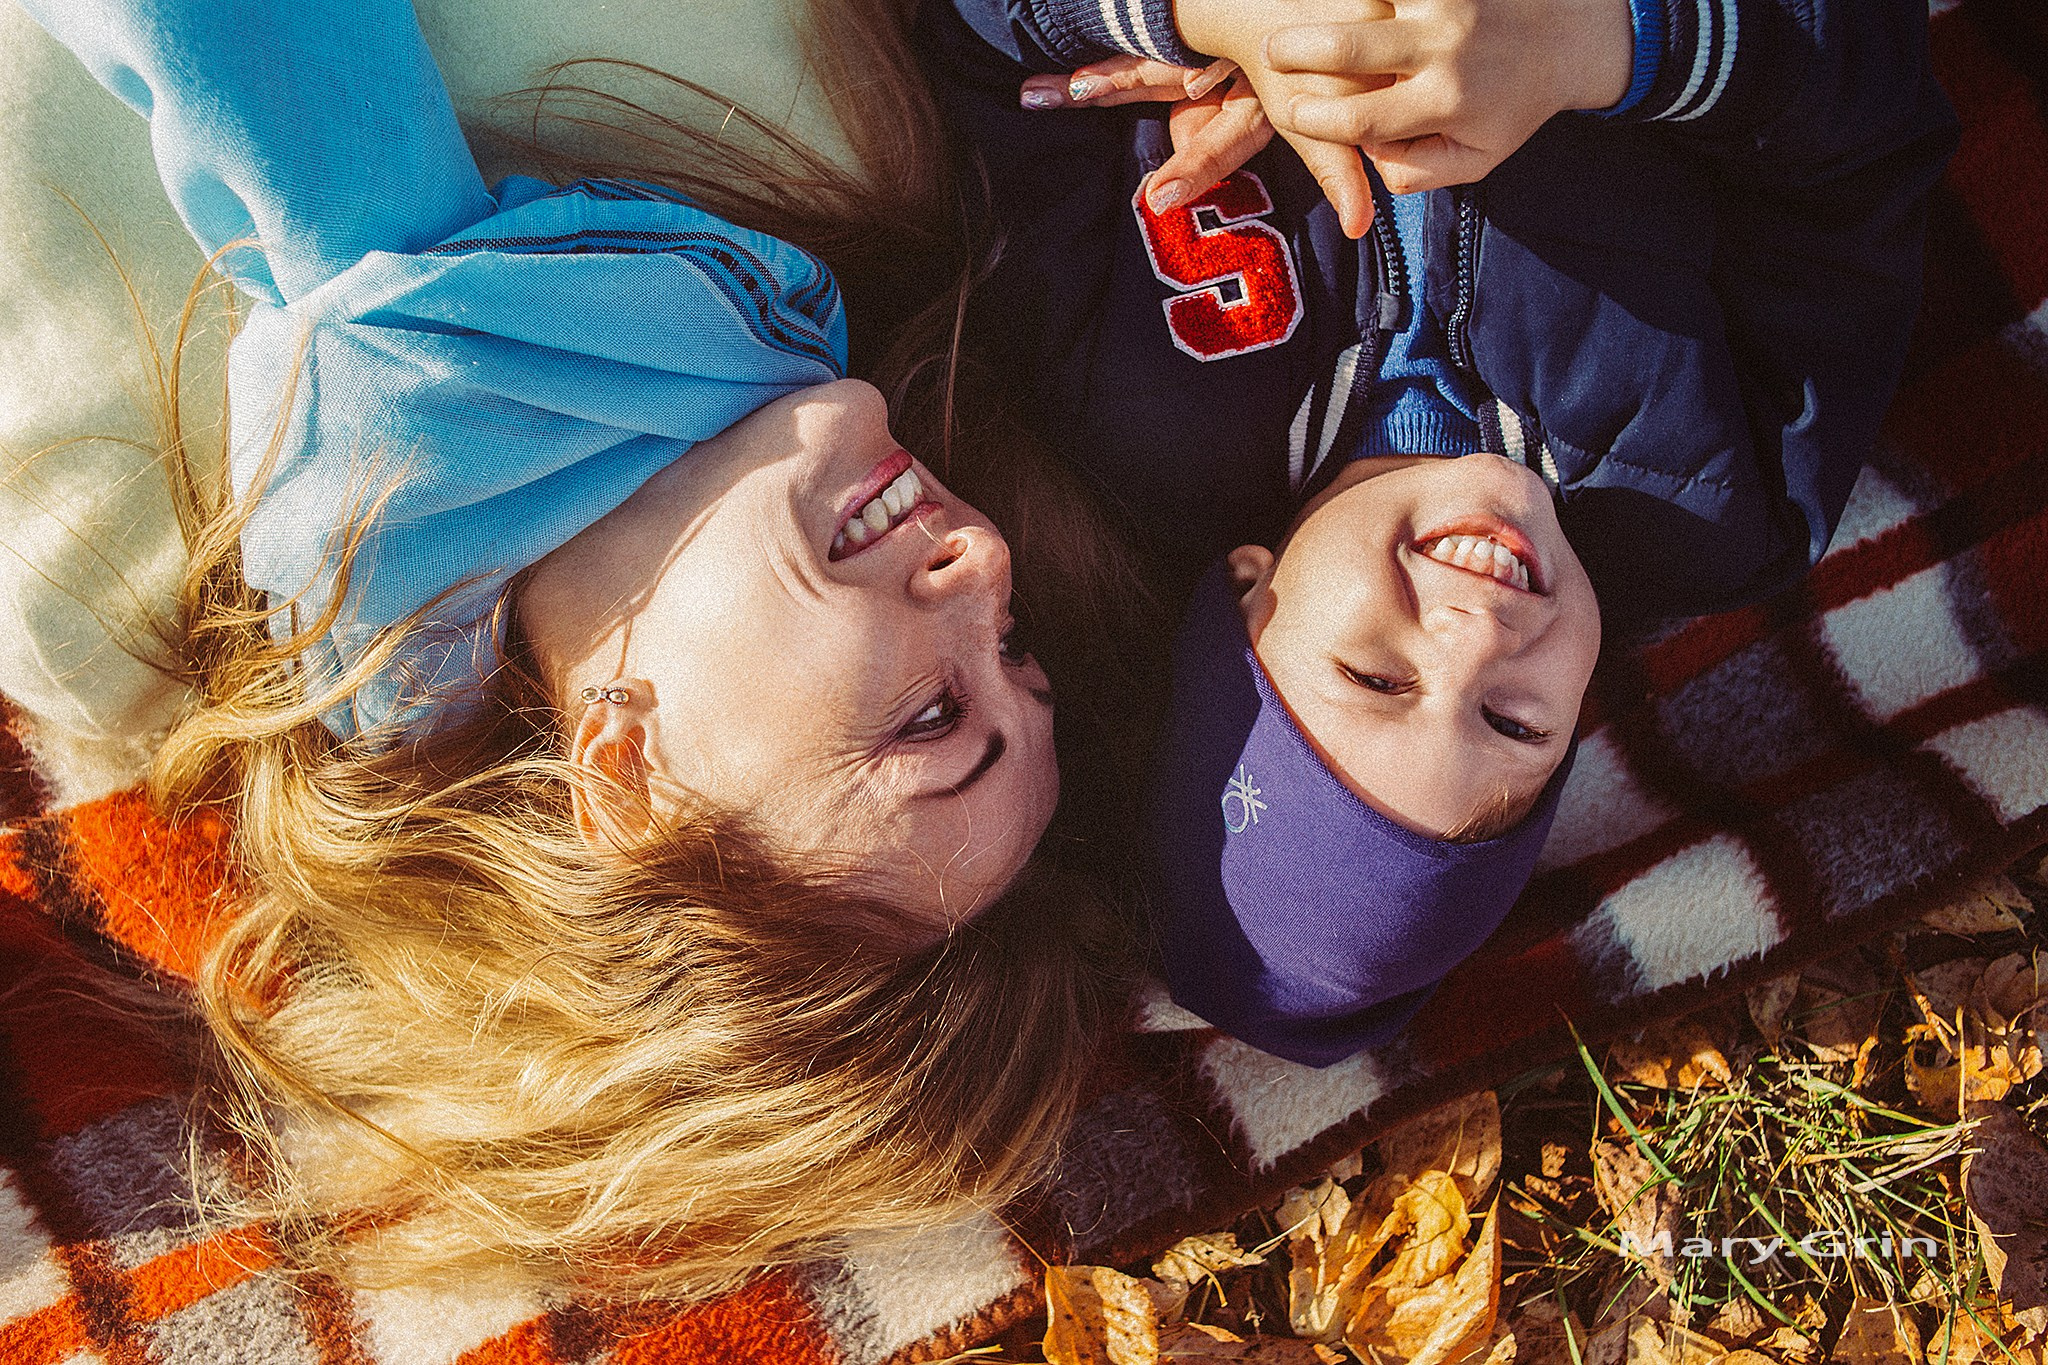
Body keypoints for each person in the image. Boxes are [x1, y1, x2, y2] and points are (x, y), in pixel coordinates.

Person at [19, 0, 1144, 1299]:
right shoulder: (787, 332)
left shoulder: (425, 381)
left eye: (932, 718)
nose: (990, 566)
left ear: (627, 770)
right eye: (1018, 648)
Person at [918, 0, 1957, 1063]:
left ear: (1243, 590)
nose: (1472, 639)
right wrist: (1610, 45)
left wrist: (1206, 20)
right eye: (1514, 723)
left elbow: (970, 42)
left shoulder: (1125, 408)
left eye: (1375, 679)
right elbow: (1871, 149)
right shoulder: (1723, 506)